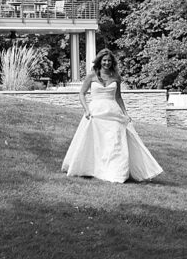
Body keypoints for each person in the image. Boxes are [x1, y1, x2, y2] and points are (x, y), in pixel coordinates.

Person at [61, 50, 163, 183]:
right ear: (99, 61)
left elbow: (118, 97)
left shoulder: (116, 77)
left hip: (113, 112)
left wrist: (126, 113)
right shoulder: (91, 75)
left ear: (112, 62)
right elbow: (82, 94)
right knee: (96, 142)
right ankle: (91, 169)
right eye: (104, 60)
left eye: (109, 60)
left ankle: (115, 172)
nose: (106, 63)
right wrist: (86, 110)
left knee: (115, 141)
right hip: (95, 113)